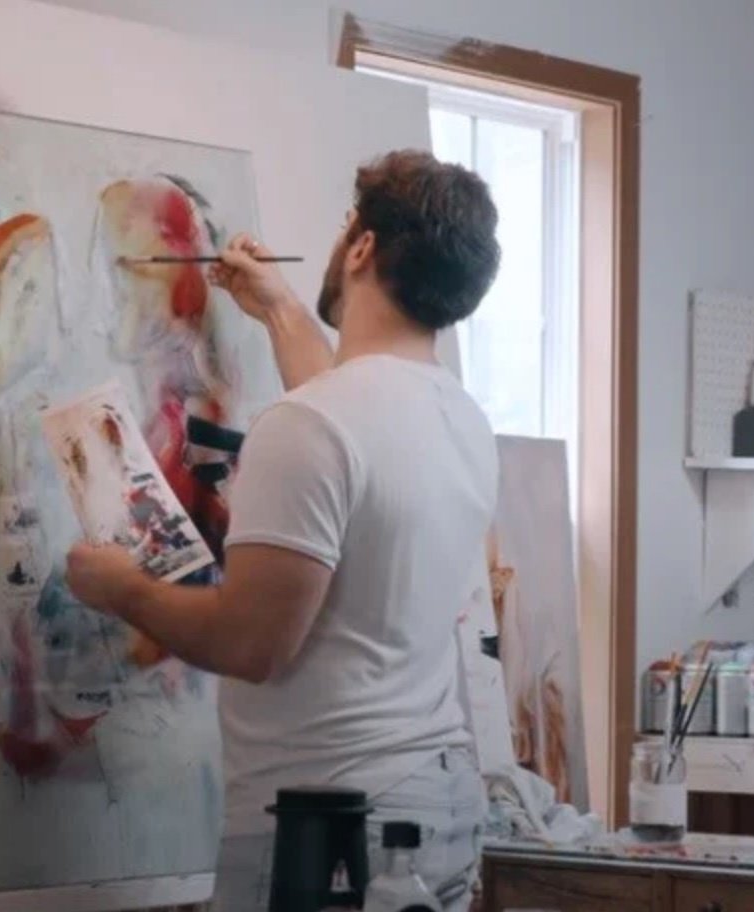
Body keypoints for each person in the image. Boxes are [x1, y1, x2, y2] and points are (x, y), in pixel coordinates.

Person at [66, 149, 502, 911]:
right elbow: (346, 435)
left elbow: (250, 644)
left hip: (332, 821)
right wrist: (277, 308)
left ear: (361, 247)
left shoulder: (307, 427)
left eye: (344, 229)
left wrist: (121, 588)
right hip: (435, 801)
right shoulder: (458, 418)